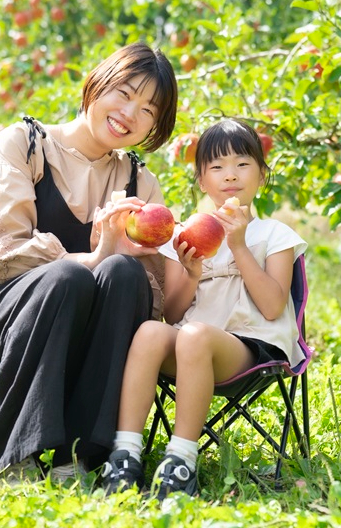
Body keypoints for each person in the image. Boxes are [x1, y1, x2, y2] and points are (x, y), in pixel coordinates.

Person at [0, 42, 178, 483]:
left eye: (149, 110)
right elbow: (1, 255)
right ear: (96, 84)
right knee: (70, 275)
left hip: (89, 328)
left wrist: (127, 258)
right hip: (1, 313)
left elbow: (149, 304)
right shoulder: (24, 145)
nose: (131, 113)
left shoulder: (139, 182)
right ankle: (15, 452)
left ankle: (79, 457)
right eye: (125, 92)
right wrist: (94, 255)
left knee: (125, 271)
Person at [101, 118, 307, 499]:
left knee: (194, 336)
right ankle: (125, 453)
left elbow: (272, 304)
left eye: (243, 164)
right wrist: (192, 274)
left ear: (262, 175)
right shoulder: (185, 235)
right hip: (190, 343)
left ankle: (181, 461)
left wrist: (240, 245)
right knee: (150, 331)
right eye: (216, 167)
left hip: (250, 347)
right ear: (201, 180)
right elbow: (175, 314)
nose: (230, 175)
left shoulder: (275, 236)